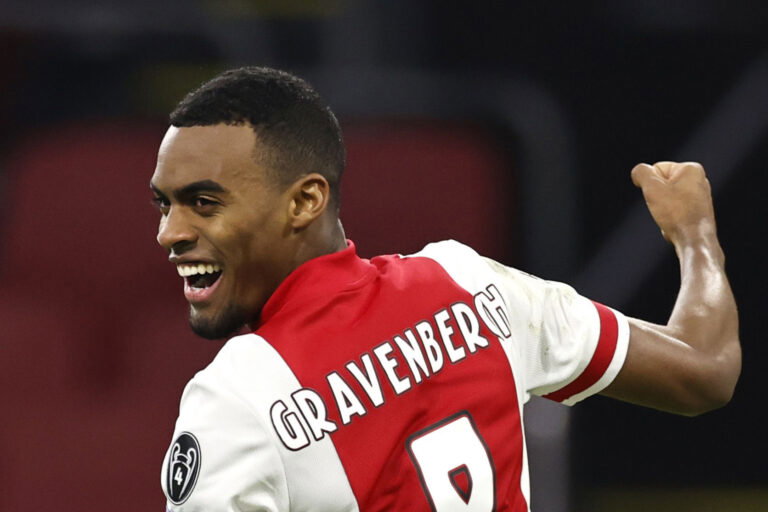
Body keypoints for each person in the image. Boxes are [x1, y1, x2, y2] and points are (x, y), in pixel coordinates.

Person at [151, 67, 741, 512]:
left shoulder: (235, 399)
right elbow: (705, 368)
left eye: (204, 203)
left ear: (306, 200)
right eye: (165, 205)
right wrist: (695, 234)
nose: (170, 233)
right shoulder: (475, 287)